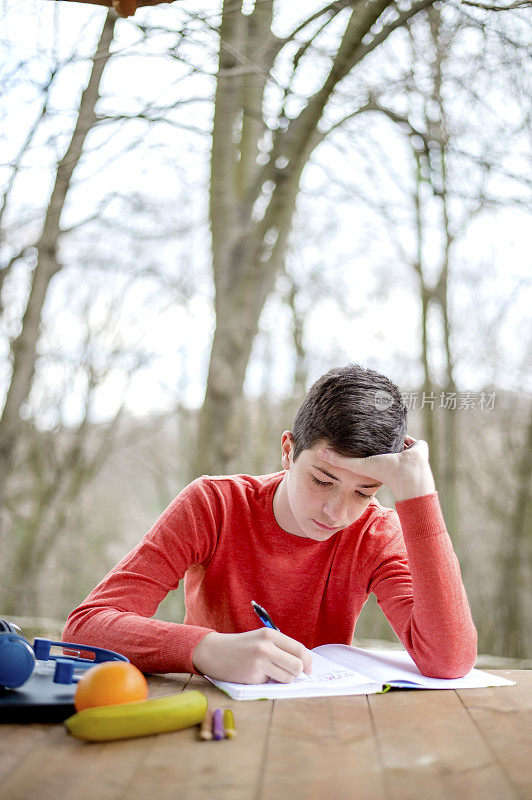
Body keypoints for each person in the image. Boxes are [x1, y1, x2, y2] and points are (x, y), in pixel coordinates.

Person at [62, 364, 477, 684]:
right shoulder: (213, 505)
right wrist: (205, 649)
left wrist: (419, 495)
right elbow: (85, 627)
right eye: (322, 480)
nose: (336, 512)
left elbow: (450, 659)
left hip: (320, 723)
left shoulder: (375, 534)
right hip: (208, 711)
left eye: (364, 492)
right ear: (288, 451)